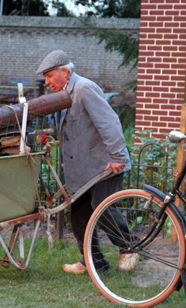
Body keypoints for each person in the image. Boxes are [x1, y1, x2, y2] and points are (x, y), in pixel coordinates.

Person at [36, 49, 139, 275]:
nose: (46, 81)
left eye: (50, 75)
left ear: (64, 71)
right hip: (83, 170)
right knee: (79, 215)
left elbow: (109, 123)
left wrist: (118, 157)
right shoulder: (63, 95)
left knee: (102, 208)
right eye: (45, 77)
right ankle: (94, 261)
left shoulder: (84, 88)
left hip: (104, 164)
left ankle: (129, 246)